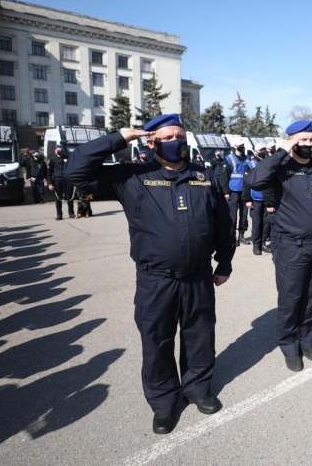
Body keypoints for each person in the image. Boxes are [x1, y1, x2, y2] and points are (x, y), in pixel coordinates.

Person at [64, 113, 236, 435]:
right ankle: (163, 401)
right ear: (152, 141)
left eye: (180, 135)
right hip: (156, 279)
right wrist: (120, 138)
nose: (177, 142)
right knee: (156, 342)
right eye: (168, 137)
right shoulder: (133, 176)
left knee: (199, 336)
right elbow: (75, 170)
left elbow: (223, 223)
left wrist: (224, 263)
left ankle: (197, 389)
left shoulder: (203, 176)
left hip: (198, 277)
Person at [249, 120, 312, 372]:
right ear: (291, 141)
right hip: (291, 246)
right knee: (291, 299)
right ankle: (289, 345)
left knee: (310, 297)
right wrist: (282, 151)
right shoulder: (280, 167)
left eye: (310, 139)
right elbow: (255, 181)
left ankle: (306, 340)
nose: (307, 144)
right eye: (302, 140)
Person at [243, 143, 272, 255]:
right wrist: (247, 199)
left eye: (264, 149)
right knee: (256, 222)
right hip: (255, 197)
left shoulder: (268, 162)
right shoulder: (250, 164)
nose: (263, 151)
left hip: (266, 197)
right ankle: (256, 245)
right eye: (261, 149)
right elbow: (246, 183)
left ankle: (263, 243)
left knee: (266, 223)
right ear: (256, 151)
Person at [225, 142, 251, 246]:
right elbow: (224, 176)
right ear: (235, 146)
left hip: (245, 191)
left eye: (243, 145)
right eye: (240, 145)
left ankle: (242, 236)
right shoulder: (229, 158)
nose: (242, 147)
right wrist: (226, 191)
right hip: (233, 191)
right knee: (233, 216)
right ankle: (232, 237)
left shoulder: (247, 159)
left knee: (244, 216)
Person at [47, 144, 75, 220]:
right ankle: (59, 214)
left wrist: (74, 181)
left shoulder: (67, 158)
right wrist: (50, 183)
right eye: (58, 150)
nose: (60, 151)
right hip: (57, 180)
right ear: (55, 151)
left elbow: (72, 170)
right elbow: (49, 172)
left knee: (69, 197)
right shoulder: (52, 159)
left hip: (67, 180)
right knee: (58, 197)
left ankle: (71, 213)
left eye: (61, 149)